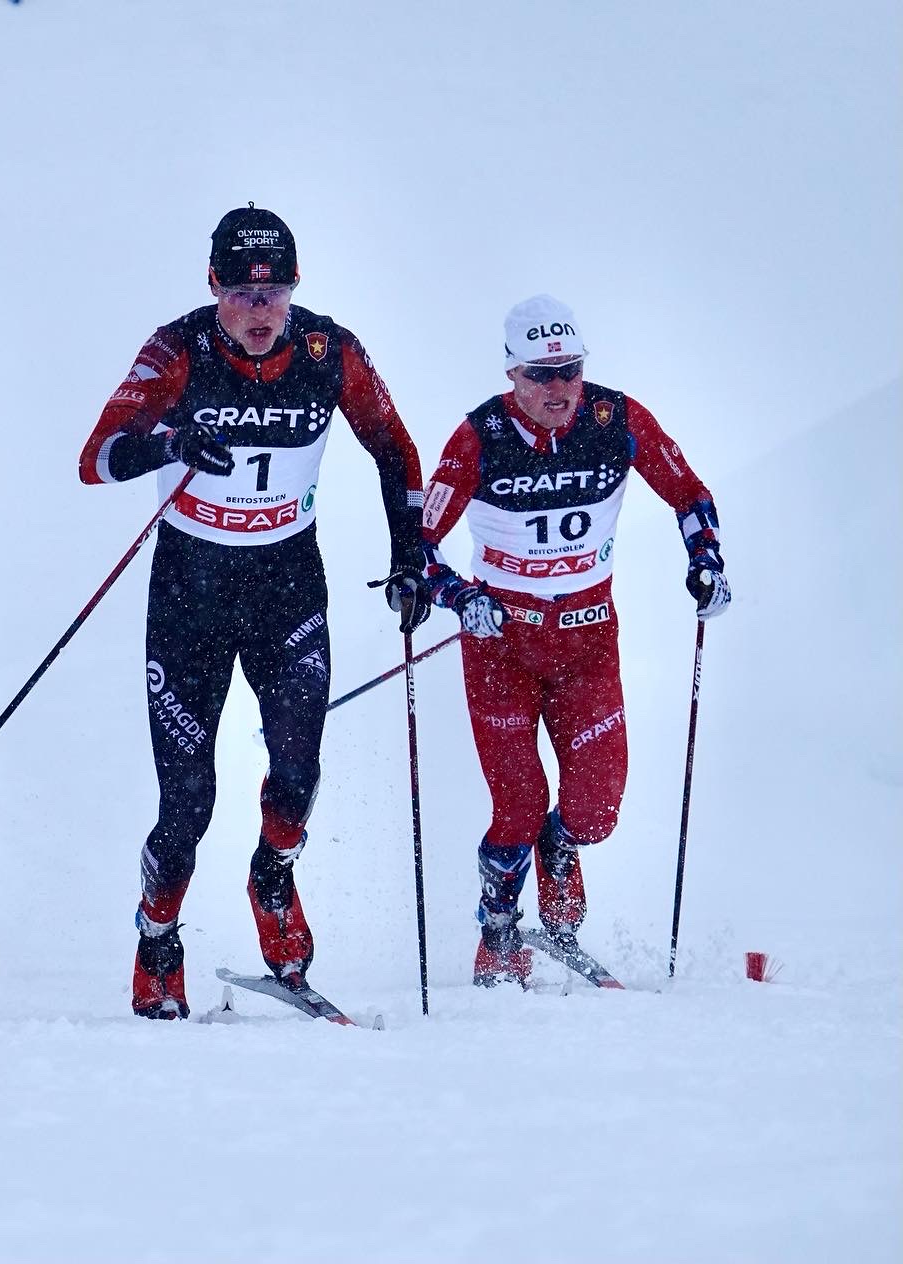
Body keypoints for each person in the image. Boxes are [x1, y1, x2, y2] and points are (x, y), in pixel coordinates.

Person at [79, 205, 427, 1019]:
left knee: (297, 774)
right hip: (189, 592)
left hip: (286, 583)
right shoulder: (177, 349)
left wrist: (409, 557)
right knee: (186, 803)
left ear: (294, 288)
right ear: (214, 287)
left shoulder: (329, 352)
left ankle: (271, 877)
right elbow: (96, 458)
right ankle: (157, 934)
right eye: (241, 293)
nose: (260, 310)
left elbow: (395, 449)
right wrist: (169, 442)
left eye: (274, 292)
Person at [413, 294, 731, 986]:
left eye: (569, 370)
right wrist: (460, 598)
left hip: (587, 646)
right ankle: (499, 927)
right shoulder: (479, 437)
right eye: (540, 374)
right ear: (512, 372)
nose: (558, 388)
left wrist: (705, 559)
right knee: (517, 804)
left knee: (597, 807)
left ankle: (558, 850)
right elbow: (417, 547)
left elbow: (689, 493)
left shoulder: (618, 420)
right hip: (502, 650)